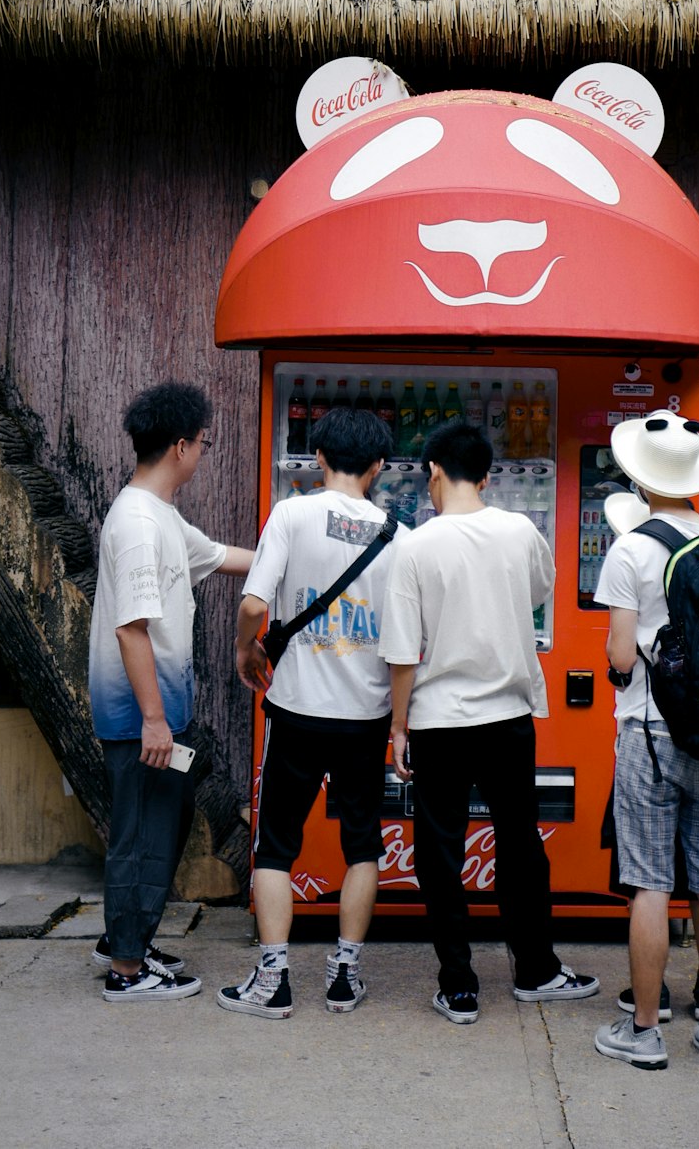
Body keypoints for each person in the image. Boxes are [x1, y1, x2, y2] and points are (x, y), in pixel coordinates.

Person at [378, 421, 599, 1025]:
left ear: (433, 474)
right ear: (486, 475)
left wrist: (398, 729)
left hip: (439, 722)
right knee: (521, 843)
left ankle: (459, 985)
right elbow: (536, 593)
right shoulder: (521, 530)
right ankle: (536, 970)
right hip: (509, 716)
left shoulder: (414, 546)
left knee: (439, 851)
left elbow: (402, 652)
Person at [218, 406, 398, 1020]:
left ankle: (273, 980)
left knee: (275, 846)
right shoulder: (399, 534)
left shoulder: (293, 513)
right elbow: (406, 641)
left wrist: (248, 649)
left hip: (296, 709)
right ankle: (344, 975)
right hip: (366, 713)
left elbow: (252, 605)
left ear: (318, 457)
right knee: (363, 846)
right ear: (377, 466)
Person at [593, 409, 699, 1069]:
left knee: (650, 882)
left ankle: (643, 1030)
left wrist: (624, 666)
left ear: (638, 477)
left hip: (649, 733)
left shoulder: (631, 548)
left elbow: (620, 656)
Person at [89, 381, 254, 1001]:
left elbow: (215, 555)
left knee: (158, 829)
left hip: (157, 713)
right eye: (203, 443)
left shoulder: (158, 514)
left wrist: (291, 557)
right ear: (180, 446)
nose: (203, 453)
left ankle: (128, 940)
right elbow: (131, 630)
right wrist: (155, 721)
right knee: (141, 839)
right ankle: (126, 971)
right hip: (141, 716)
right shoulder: (136, 523)